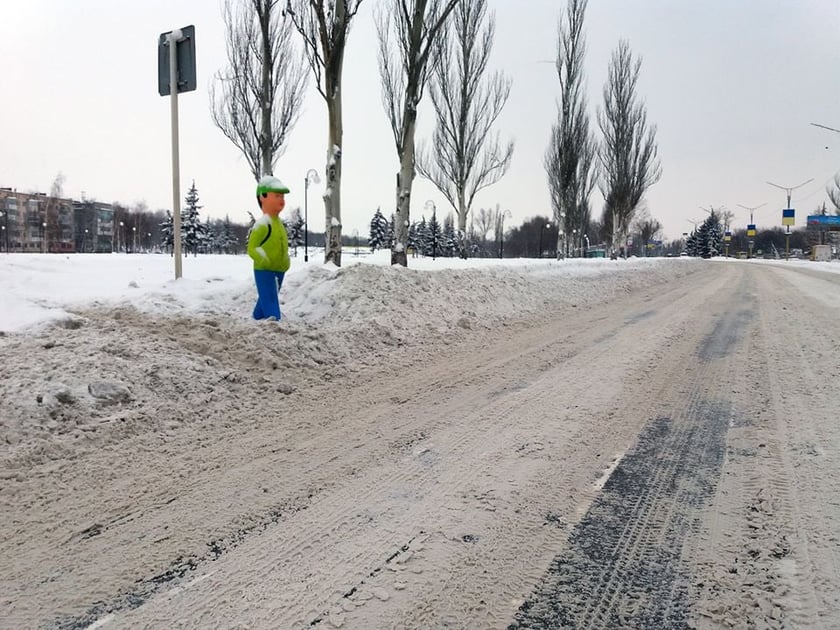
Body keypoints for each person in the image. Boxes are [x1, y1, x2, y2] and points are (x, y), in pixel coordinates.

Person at [247, 175, 291, 320]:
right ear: (263, 197)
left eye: (282, 196)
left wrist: (286, 260)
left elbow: (282, 244)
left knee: (267, 298)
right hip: (264, 270)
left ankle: (257, 317)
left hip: (279, 269)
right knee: (271, 302)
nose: (281, 200)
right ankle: (274, 323)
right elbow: (252, 248)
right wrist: (263, 259)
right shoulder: (262, 225)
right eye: (277, 196)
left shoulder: (278, 223)